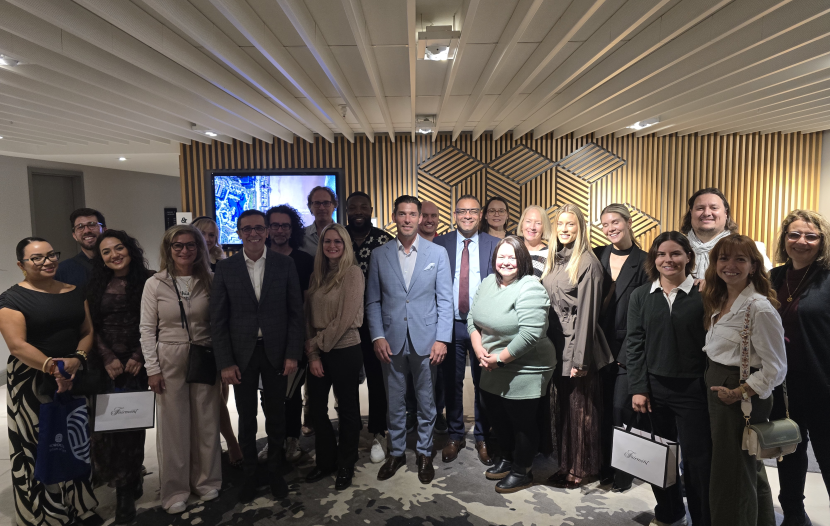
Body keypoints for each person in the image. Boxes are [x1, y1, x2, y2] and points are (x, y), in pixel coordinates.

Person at [0, 237, 100, 526]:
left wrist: (77, 359)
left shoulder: (74, 291)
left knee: (76, 442)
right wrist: (53, 368)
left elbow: (87, 330)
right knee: (40, 445)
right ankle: (45, 515)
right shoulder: (11, 299)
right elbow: (17, 346)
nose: (47, 261)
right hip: (32, 379)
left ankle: (80, 507)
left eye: (51, 254)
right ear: (21, 264)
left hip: (74, 373)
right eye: (37, 258)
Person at [210, 210, 304, 502]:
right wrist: (225, 362)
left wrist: (293, 354)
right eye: (247, 229)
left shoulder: (285, 264)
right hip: (241, 355)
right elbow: (218, 320)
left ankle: (275, 471)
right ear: (238, 233)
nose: (253, 233)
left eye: (259, 228)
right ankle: (250, 473)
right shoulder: (226, 268)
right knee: (246, 416)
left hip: (276, 352)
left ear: (267, 231)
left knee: (276, 415)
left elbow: (296, 313)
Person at [365, 195, 453, 483]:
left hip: (427, 340)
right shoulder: (380, 255)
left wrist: (442, 339)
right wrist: (377, 336)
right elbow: (372, 301)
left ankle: (425, 452)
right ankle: (397, 451)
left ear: (419, 218)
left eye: (412, 214)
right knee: (395, 401)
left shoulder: (437, 253)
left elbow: (445, 300)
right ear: (394, 217)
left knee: (427, 401)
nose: (407, 219)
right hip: (390, 340)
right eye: (402, 214)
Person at [626, 231, 712, 526]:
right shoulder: (641, 295)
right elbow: (634, 344)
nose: (668, 259)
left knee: (698, 463)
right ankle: (670, 513)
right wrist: (638, 387)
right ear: (654, 259)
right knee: (659, 458)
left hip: (694, 390)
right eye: (661, 254)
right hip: (654, 390)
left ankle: (702, 519)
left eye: (675, 253)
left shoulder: (705, 293)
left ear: (689, 256)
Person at [702, 234, 786, 526]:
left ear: (753, 266)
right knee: (747, 466)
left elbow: (776, 368)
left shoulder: (759, 308)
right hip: (721, 385)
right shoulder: (721, 299)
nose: (730, 265)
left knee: (731, 473)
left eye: (740, 259)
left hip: (739, 394)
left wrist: (739, 392)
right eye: (723, 258)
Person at [140, 225, 222, 514]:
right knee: (173, 426)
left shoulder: (211, 280)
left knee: (206, 420)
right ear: (169, 249)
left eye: (191, 245)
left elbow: (220, 323)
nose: (185, 250)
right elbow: (146, 329)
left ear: (200, 248)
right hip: (169, 356)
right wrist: (152, 368)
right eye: (178, 245)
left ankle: (206, 480)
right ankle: (175, 489)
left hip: (205, 353)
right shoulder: (155, 283)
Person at [469, 236, 556, 493]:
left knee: (522, 422)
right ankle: (506, 458)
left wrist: (500, 359)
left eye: (512, 257)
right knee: (496, 414)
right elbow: (472, 318)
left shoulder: (531, 288)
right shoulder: (488, 282)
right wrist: (479, 349)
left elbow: (531, 334)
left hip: (526, 365)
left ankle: (522, 470)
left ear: (523, 259)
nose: (506, 262)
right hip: (491, 362)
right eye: (501, 257)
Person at [541, 204, 612, 488]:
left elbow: (587, 317)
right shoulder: (556, 259)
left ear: (581, 227)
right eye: (560, 224)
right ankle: (565, 464)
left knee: (581, 412)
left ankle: (581, 469)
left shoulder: (587, 263)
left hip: (578, 347)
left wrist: (580, 360)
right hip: (556, 345)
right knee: (564, 411)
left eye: (571, 224)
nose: (564, 229)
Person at [87, 230, 152, 524]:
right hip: (105, 366)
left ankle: (127, 491)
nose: (114, 255)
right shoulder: (95, 285)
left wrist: (139, 356)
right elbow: (89, 326)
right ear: (101, 258)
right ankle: (121, 478)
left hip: (138, 364)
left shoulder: (149, 280)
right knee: (104, 432)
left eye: (119, 248)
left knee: (131, 430)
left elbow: (156, 322)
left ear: (130, 249)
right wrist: (107, 357)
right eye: (106, 251)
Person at [769, 210, 830, 526]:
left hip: (822, 384)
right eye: (794, 234)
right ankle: (793, 514)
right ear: (784, 239)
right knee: (788, 452)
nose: (801, 241)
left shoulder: (827, 278)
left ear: (822, 242)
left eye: (810, 236)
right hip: (782, 385)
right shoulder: (773, 278)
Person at [434, 195, 499, 466]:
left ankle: (482, 436)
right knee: (452, 382)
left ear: (480, 214)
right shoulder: (440, 244)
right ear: (455, 215)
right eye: (462, 211)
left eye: (473, 211)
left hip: (483, 326)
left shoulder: (494, 244)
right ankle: (455, 435)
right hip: (450, 324)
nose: (468, 216)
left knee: (484, 383)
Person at [303, 224, 365, 491]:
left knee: (348, 410)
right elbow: (308, 318)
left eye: (338, 241)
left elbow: (345, 319)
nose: (332, 246)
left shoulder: (352, 273)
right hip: (319, 352)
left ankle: (346, 464)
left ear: (346, 244)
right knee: (316, 409)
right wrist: (314, 354)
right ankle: (326, 461)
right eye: (327, 241)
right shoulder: (317, 275)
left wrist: (314, 344)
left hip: (345, 350)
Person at [593, 204, 649, 492]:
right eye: (605, 224)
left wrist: (627, 354)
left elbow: (645, 315)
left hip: (628, 348)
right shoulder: (596, 254)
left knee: (621, 411)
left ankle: (623, 473)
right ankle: (603, 467)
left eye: (615, 222)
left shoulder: (645, 261)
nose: (610, 228)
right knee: (600, 410)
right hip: (596, 346)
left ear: (628, 222)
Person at [261, 204, 315, 464]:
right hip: (263, 340)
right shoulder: (258, 259)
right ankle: (274, 441)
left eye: (285, 226)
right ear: (267, 229)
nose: (280, 230)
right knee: (267, 395)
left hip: (294, 337)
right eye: (275, 225)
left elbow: (305, 304)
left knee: (291, 394)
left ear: (292, 230)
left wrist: (304, 338)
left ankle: (292, 439)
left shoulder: (303, 261)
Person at [344, 191, 392, 462]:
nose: (358, 211)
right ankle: (350, 431)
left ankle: (378, 431)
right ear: (347, 211)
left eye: (363, 207)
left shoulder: (384, 240)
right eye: (353, 207)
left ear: (371, 210)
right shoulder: (338, 238)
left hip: (376, 321)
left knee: (376, 379)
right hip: (345, 322)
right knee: (348, 380)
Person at [192, 216, 243, 469]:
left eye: (212, 234)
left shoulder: (222, 265)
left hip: (221, 339)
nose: (208, 239)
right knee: (208, 401)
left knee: (220, 396)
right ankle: (228, 444)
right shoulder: (185, 266)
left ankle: (226, 444)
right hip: (196, 342)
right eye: (202, 233)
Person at [680, 188, 771, 279]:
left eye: (714, 208)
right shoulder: (676, 248)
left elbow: (765, 284)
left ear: (726, 213)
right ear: (691, 213)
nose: (707, 213)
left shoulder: (751, 249)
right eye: (700, 208)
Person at [55, 208, 107, 287]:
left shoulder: (118, 263)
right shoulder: (62, 270)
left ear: (104, 230)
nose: (86, 231)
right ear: (74, 236)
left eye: (92, 224)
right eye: (80, 227)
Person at [301, 186, 338, 257]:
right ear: (310, 208)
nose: (321, 208)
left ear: (334, 206)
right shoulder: (302, 235)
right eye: (317, 203)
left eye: (326, 203)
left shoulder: (345, 233)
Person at [517, 205, 551, 278]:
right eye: (528, 221)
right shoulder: (513, 251)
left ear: (544, 227)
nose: (532, 227)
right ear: (522, 224)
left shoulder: (550, 254)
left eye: (538, 223)